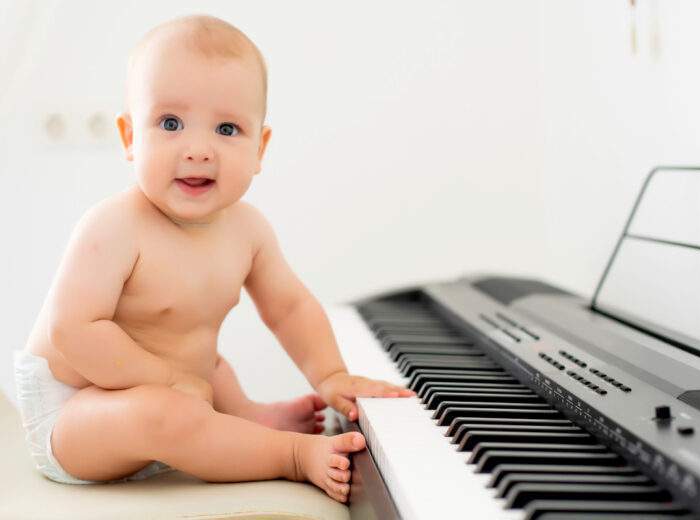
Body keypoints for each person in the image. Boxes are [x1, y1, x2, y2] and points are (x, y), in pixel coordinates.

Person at [13, 13, 414, 503]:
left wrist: (329, 373)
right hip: (77, 413)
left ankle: (247, 417)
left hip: (179, 394)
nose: (199, 149)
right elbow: (72, 332)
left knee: (203, 360)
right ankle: (286, 453)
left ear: (260, 147)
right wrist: (164, 379)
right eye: (170, 123)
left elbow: (289, 307)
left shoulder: (248, 230)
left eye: (227, 128)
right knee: (166, 406)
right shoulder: (113, 227)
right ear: (128, 137)